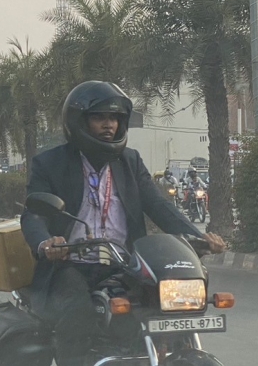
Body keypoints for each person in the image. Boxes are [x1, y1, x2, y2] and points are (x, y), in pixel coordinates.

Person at [21, 81, 226, 366]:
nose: (109, 125)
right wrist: (46, 243)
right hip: (69, 265)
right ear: (78, 121)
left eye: (115, 118)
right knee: (77, 312)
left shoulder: (130, 161)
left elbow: (159, 206)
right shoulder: (50, 163)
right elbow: (34, 214)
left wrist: (197, 237)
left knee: (162, 306)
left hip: (123, 264)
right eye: (100, 117)